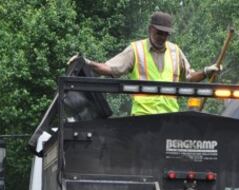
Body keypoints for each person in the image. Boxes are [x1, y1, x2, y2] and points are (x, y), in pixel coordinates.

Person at [80, 11, 221, 115]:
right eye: (159, 32)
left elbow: (190, 77)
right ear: (150, 29)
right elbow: (109, 68)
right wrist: (87, 63)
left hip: (170, 118)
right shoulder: (136, 49)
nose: (162, 37)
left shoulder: (175, 51)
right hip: (143, 118)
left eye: (166, 34)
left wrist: (206, 71)